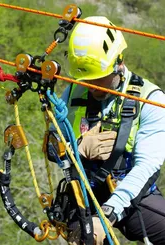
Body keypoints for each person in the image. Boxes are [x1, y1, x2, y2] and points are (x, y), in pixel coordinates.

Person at [58, 16, 165, 244]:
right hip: (84, 192)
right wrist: (76, 147)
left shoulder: (151, 99)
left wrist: (109, 212)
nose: (91, 86)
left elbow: (147, 165)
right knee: (85, 238)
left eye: (99, 78)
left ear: (118, 62)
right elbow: (52, 146)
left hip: (131, 191)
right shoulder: (74, 92)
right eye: (85, 79)